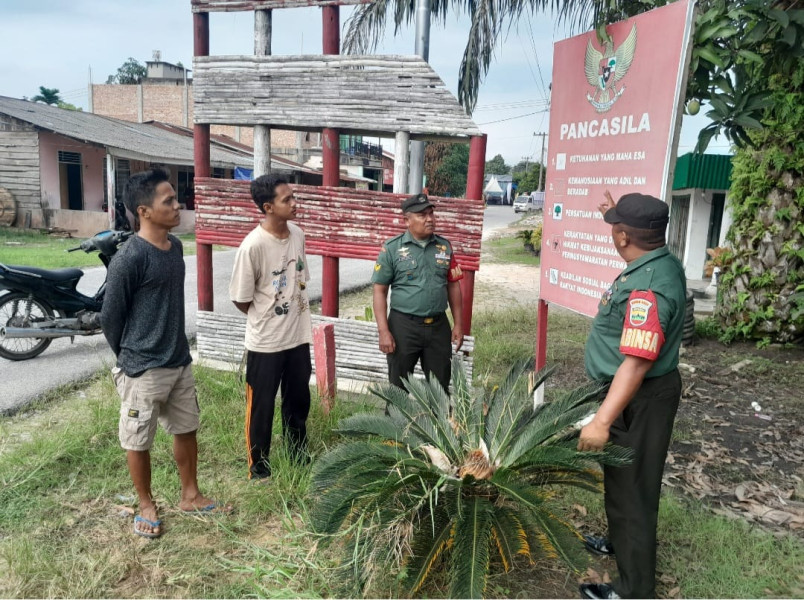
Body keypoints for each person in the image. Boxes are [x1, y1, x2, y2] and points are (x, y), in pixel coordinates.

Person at [102, 168, 229, 540]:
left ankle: (190, 494)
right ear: (144, 210)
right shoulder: (130, 258)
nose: (178, 206)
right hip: (143, 368)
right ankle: (145, 504)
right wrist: (130, 358)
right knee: (137, 438)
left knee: (187, 428)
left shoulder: (175, 248)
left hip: (178, 361)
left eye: (176, 199)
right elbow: (111, 316)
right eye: (168, 201)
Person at [577, 191, 687, 599]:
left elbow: (637, 363)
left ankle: (633, 590)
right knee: (621, 482)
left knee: (634, 493)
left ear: (623, 237)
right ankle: (620, 544)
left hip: (639, 399)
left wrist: (603, 420)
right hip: (634, 395)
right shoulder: (656, 258)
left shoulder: (649, 287)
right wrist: (613, 213)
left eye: (615, 226)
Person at [229, 175, 312, 480]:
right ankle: (259, 467)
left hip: (298, 335)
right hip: (265, 341)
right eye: (287, 199)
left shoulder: (298, 235)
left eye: (294, 196)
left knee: (299, 401)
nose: (294, 203)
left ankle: (298, 454)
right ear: (268, 207)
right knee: (261, 406)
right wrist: (268, 315)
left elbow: (300, 278)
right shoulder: (252, 246)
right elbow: (241, 299)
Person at [371, 193, 464, 394]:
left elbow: (453, 285)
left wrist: (458, 323)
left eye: (431, 214)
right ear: (407, 220)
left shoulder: (444, 247)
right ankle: (396, 426)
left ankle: (438, 425)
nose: (429, 219)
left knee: (440, 390)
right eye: (422, 215)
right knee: (399, 389)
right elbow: (379, 290)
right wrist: (383, 331)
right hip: (403, 327)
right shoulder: (392, 248)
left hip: (438, 327)